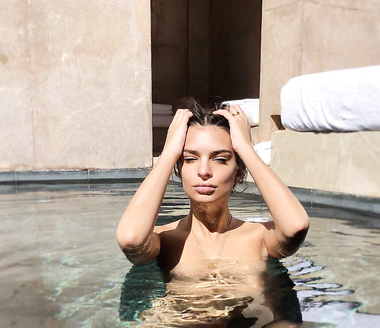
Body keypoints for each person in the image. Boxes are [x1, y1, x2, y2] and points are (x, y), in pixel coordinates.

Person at [116, 98, 309, 279]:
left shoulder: (259, 237)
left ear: (238, 174)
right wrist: (169, 152)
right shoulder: (164, 240)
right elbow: (130, 239)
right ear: (179, 170)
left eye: (220, 159)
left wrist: (246, 148)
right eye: (190, 159)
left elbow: (295, 227)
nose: (204, 171)